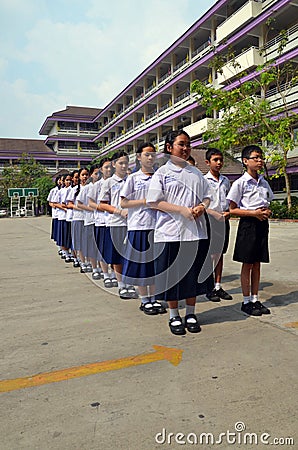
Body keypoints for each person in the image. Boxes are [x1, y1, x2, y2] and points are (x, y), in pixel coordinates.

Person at [146, 130, 214, 335]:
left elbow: (208, 197)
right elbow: (153, 201)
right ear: (169, 148)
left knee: (192, 275)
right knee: (172, 277)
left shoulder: (196, 173)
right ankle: (174, 315)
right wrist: (181, 210)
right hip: (170, 234)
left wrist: (202, 207)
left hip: (195, 233)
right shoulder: (162, 173)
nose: (185, 149)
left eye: (188, 145)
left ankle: (191, 313)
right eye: (181, 144)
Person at [227, 145, 274, 316]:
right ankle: (246, 300)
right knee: (247, 263)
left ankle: (255, 298)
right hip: (248, 224)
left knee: (257, 263)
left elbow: (268, 201)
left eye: (261, 157)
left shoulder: (263, 182)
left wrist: (266, 211)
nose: (260, 161)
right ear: (245, 161)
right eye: (256, 158)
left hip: (262, 224)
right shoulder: (240, 183)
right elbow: (232, 209)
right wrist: (253, 213)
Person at [120, 142, 166, 315]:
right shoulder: (133, 178)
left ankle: (154, 298)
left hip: (157, 227)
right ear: (138, 157)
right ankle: (144, 300)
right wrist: (145, 201)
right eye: (146, 154)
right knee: (140, 265)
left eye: (153, 154)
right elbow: (123, 202)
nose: (150, 157)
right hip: (138, 226)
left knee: (153, 266)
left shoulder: (159, 176)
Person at [99, 150, 138, 300]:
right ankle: (121, 284)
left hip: (133, 224)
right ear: (114, 164)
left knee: (130, 255)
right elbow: (102, 205)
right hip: (116, 223)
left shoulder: (132, 180)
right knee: (117, 256)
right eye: (120, 163)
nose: (123, 166)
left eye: (126, 163)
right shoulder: (109, 182)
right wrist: (119, 211)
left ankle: (129, 283)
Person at [204, 148, 233, 301]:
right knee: (210, 254)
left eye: (221, 160)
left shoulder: (226, 180)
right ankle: (208, 287)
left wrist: (229, 212)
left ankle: (218, 285)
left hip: (224, 220)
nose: (219, 163)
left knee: (220, 253)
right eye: (215, 160)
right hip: (210, 220)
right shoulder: (203, 181)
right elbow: (200, 204)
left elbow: (228, 201)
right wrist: (213, 213)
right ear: (208, 162)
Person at [88, 157, 117, 287]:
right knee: (102, 249)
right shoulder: (97, 185)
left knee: (113, 250)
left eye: (111, 166)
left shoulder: (116, 182)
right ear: (101, 169)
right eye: (106, 167)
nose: (109, 169)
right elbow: (90, 203)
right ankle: (106, 274)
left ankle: (114, 273)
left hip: (114, 222)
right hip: (100, 222)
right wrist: (102, 207)